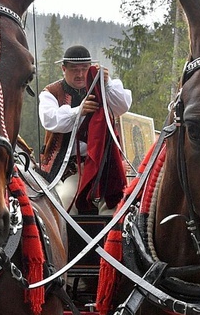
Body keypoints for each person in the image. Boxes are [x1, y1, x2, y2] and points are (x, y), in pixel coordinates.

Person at [39, 45, 132, 214]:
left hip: (105, 164)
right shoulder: (51, 93)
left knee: (116, 203)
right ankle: (70, 241)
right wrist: (78, 112)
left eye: (84, 69)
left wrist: (107, 83)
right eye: (74, 69)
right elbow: (50, 120)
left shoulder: (104, 88)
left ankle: (112, 240)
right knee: (66, 200)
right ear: (63, 69)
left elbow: (122, 107)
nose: (80, 74)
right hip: (69, 167)